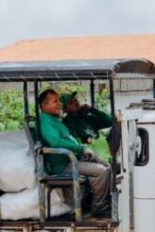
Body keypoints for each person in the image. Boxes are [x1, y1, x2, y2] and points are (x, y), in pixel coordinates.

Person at [37, 89, 110, 217]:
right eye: (55, 101)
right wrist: (80, 148)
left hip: (74, 159)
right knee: (101, 171)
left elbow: (109, 121)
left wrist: (82, 150)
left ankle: (100, 203)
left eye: (59, 101)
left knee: (107, 166)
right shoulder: (45, 120)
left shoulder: (53, 119)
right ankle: (99, 207)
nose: (59, 104)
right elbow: (54, 141)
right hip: (65, 165)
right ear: (44, 106)